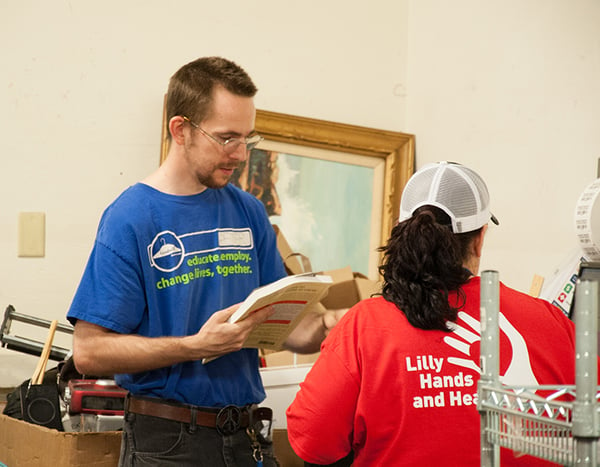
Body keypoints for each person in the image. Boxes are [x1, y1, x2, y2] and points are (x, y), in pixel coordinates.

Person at [66, 56, 332, 467]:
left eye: (247, 138)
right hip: (168, 444)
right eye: (227, 138)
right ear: (181, 130)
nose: (241, 154)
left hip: (247, 437)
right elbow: (89, 352)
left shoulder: (249, 212)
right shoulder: (131, 217)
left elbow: (289, 331)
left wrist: (331, 326)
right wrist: (194, 347)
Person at [286, 161, 593, 466]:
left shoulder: (365, 326)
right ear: (480, 238)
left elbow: (313, 443)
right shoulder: (551, 322)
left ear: (402, 230)